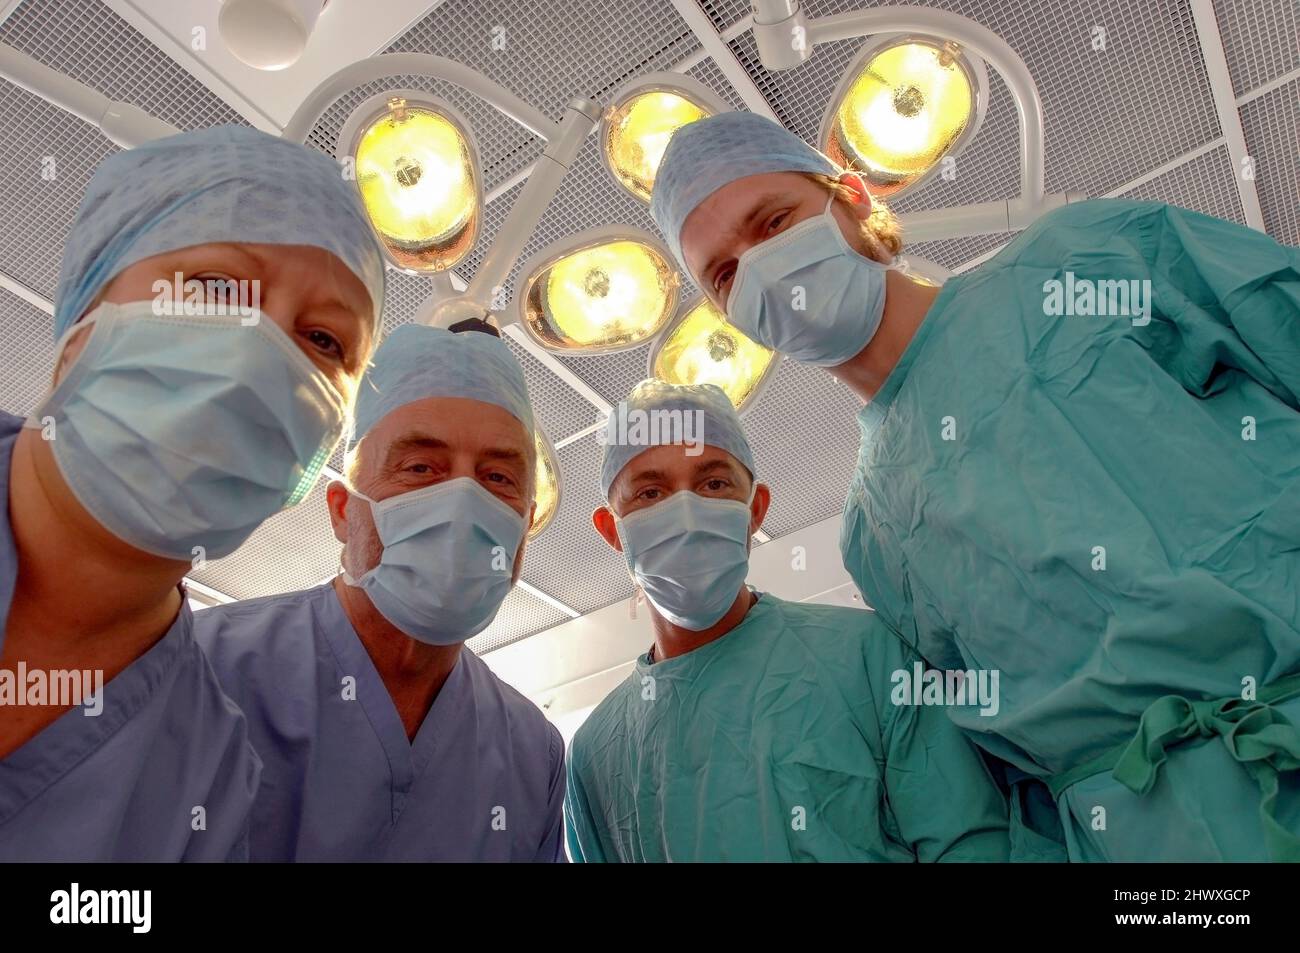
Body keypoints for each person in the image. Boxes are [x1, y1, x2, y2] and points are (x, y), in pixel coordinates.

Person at [650, 109, 1300, 861]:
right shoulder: (871, 531)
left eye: (773, 221)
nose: (760, 268)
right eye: (726, 273)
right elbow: (996, 769)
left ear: (853, 199)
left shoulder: (1076, 263)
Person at [0, 124, 386, 860]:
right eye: (215, 287)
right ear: (83, 324)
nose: (257, 352)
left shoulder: (207, 780)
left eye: (325, 341)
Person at [564, 379, 1010, 862]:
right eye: (650, 492)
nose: (686, 512)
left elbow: (970, 844)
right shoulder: (594, 752)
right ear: (613, 530)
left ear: (754, 509)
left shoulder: (870, 658)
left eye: (714, 484)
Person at [195, 322, 566, 861]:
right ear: (343, 511)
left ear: (525, 528)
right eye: (420, 468)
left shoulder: (532, 751)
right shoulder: (201, 668)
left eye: (498, 478)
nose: (461, 500)